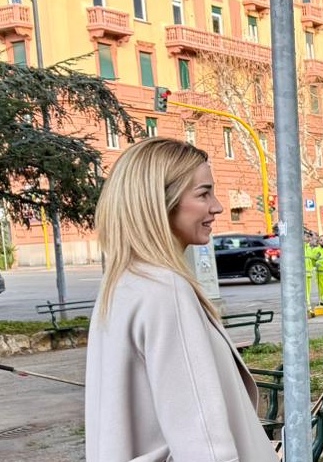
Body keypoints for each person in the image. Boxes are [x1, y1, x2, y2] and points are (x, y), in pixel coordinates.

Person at [85, 138, 278, 462]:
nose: (216, 207)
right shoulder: (165, 289)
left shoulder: (124, 284)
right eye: (203, 194)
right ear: (160, 202)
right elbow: (204, 443)